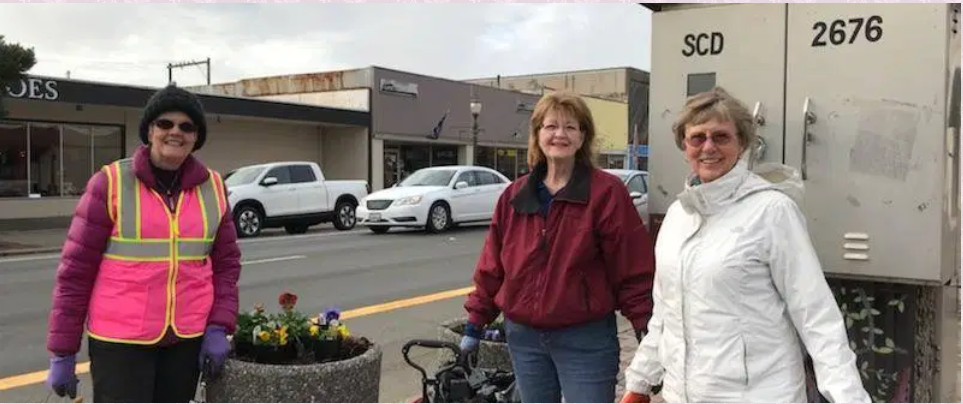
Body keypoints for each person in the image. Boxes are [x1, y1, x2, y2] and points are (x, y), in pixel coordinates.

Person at [621, 87, 870, 403]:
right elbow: (667, 314)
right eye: (698, 137)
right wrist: (640, 382)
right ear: (684, 146)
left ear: (741, 144)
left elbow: (816, 316)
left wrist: (849, 398)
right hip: (682, 395)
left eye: (721, 137)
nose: (708, 147)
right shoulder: (676, 216)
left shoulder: (772, 212)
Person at [45, 84, 242, 403]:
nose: (175, 132)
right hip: (120, 343)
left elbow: (227, 266)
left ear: (196, 137)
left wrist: (219, 326)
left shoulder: (214, 188)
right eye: (165, 123)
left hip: (185, 340)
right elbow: (75, 274)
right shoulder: (109, 183)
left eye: (187, 126)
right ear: (150, 130)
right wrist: (63, 352)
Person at [461, 91, 656, 403]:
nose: (560, 134)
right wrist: (475, 321)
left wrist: (644, 325)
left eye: (571, 127)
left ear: (583, 137)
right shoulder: (514, 195)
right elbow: (493, 267)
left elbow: (631, 267)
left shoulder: (606, 193)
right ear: (537, 135)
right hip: (524, 339)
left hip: (585, 339)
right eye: (551, 126)